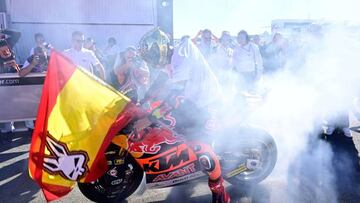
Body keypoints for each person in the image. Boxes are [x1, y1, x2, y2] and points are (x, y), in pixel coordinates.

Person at [137, 28, 230, 203]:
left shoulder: (182, 53)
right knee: (170, 129)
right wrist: (142, 101)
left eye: (152, 53)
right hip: (193, 103)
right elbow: (159, 84)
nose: (151, 60)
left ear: (161, 47)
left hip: (209, 103)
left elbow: (175, 97)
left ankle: (220, 191)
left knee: (197, 144)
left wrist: (148, 118)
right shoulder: (169, 61)